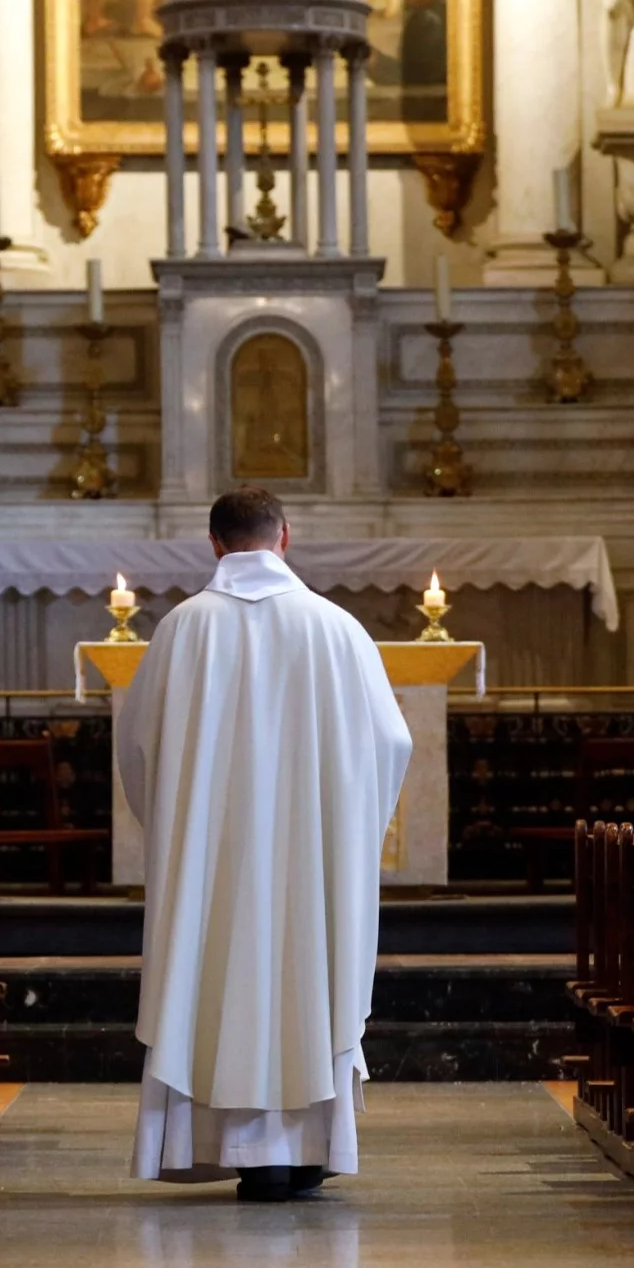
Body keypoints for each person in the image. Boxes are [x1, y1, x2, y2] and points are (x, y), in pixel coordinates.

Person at [122, 488, 413, 1201]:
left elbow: (136, 749)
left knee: (214, 975)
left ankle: (227, 1144)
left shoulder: (183, 630)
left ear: (215, 544)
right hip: (313, 866)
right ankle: (309, 1145)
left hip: (212, 865)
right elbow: (391, 741)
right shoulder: (336, 628)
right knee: (306, 981)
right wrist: (348, 829)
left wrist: (180, 831)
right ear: (285, 538)